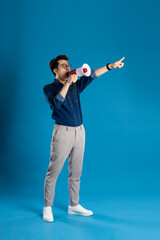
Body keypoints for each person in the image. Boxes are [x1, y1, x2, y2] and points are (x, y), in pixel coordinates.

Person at [43, 55, 125, 222]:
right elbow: (56, 104)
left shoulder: (75, 86)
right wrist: (67, 83)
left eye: (69, 65)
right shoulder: (49, 88)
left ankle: (74, 205)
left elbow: (92, 75)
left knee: (76, 171)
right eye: (64, 66)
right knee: (53, 172)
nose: (68, 68)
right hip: (62, 132)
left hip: (79, 131)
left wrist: (110, 66)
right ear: (55, 70)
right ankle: (47, 207)